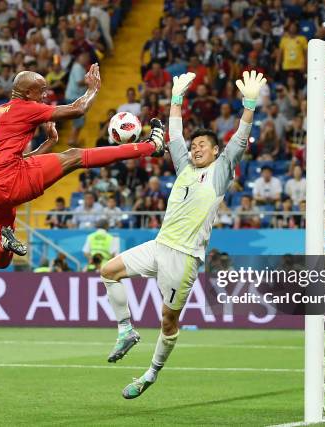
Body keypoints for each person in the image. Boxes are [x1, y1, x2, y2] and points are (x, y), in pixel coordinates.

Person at [100, 70, 266, 398]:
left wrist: (249, 104)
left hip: (185, 258)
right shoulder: (184, 167)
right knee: (108, 271)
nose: (196, 148)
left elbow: (240, 139)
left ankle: (150, 374)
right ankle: (126, 330)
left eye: (203, 144)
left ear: (217, 152)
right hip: (160, 245)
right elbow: (175, 135)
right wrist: (175, 98)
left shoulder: (220, 172)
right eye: (194, 145)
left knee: (167, 322)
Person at [0, 66, 166, 269]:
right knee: (75, 156)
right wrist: (92, 90)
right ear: (27, 93)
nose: (45, 95)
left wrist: (48, 144)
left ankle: (4, 244)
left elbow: (13, 160)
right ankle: (152, 145)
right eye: (41, 90)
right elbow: (78, 110)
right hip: (7, 182)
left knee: (1, 258)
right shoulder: (25, 107)